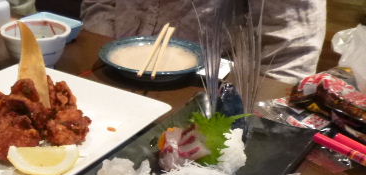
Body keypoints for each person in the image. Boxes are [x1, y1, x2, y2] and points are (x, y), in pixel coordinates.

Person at [80, 0, 326, 85]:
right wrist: (103, 51)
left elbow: (293, 50)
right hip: (109, 74)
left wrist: (250, 119)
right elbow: (99, 4)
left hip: (205, 93)